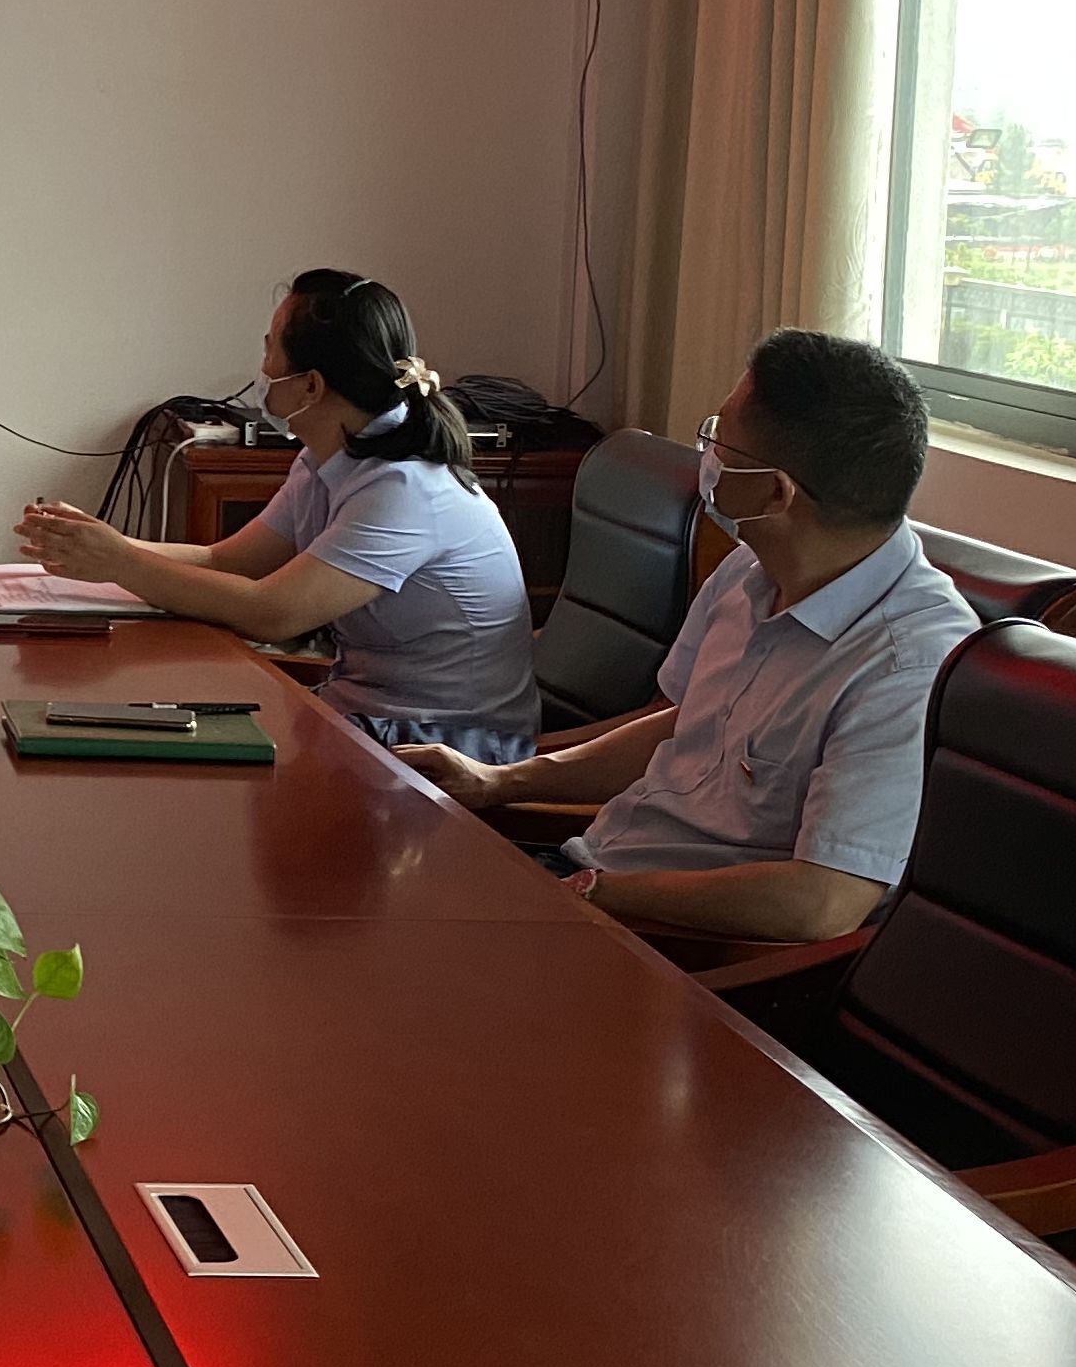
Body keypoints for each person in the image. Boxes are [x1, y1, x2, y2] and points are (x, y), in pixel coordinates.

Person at [395, 328, 982, 942]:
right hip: (593, 876)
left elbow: (820, 903)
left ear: (775, 491)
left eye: (718, 440)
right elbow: (684, 724)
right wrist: (500, 779)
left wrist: (592, 895)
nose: (707, 456)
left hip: (666, 941)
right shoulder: (750, 569)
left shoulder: (908, 666)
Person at [18, 271, 538, 759]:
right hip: (360, 716)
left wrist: (120, 563)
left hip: (450, 746)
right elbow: (226, 561)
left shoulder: (406, 490)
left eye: (270, 349)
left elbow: (273, 613)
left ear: (311, 386)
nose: (263, 369)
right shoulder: (323, 460)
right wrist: (101, 543)